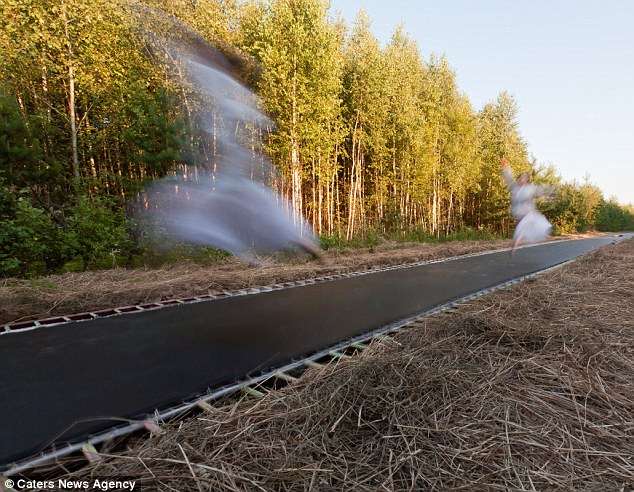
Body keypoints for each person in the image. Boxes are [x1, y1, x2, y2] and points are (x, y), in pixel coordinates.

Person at [501, 157, 552, 255]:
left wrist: (549, 192)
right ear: (519, 179)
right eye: (520, 177)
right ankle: (516, 241)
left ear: (526, 180)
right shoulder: (514, 186)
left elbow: (540, 190)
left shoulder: (530, 188)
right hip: (518, 212)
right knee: (520, 229)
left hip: (528, 212)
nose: (521, 179)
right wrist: (505, 167)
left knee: (525, 226)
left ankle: (515, 244)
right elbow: (508, 178)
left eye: (524, 178)